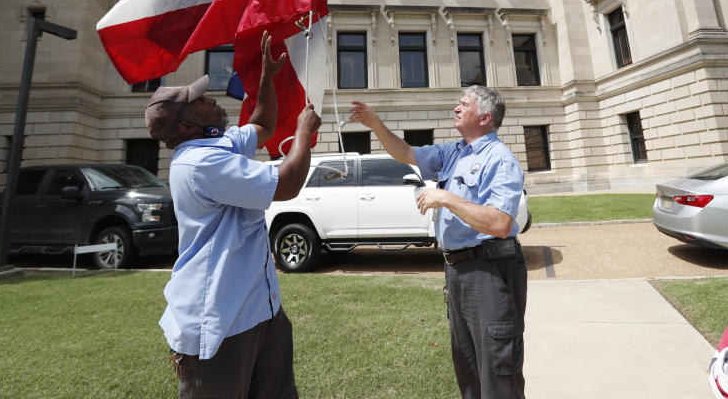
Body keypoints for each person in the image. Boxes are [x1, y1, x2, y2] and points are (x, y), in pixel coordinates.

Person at [145, 32, 320, 399]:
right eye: (201, 101)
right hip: (220, 322)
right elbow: (287, 184)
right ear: (186, 127)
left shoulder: (214, 143)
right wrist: (304, 133)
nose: (212, 99)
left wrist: (267, 77)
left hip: (260, 310)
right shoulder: (200, 163)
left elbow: (263, 126)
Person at [349, 86, 527, 399]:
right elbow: (405, 153)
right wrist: (376, 125)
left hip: (490, 272)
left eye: (465, 104)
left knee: (498, 373)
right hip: (458, 273)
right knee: (468, 367)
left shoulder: (500, 159)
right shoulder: (454, 151)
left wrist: (446, 197)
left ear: (485, 117)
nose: (456, 108)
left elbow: (500, 223)